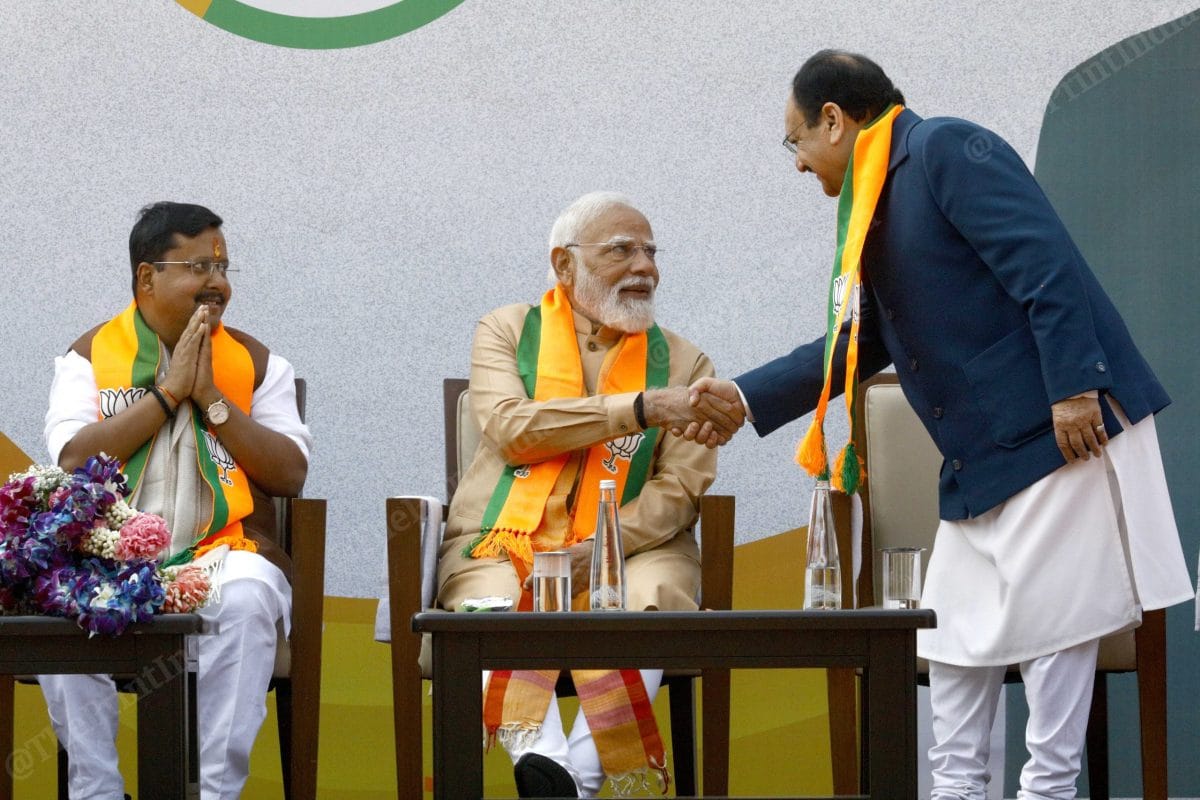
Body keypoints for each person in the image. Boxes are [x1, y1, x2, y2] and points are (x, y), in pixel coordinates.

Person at [688, 51, 1192, 799]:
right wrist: (744, 395)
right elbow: (859, 341)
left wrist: (1075, 390)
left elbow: (1046, 266)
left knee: (1057, 634)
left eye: (794, 140)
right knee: (950, 642)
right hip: (979, 466)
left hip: (1058, 442)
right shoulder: (873, 201)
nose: (796, 164)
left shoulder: (946, 149)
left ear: (835, 119)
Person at [436, 191, 732, 798]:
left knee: (651, 598)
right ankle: (553, 763)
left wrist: (600, 548)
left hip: (637, 545)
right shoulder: (506, 330)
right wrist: (640, 408)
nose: (645, 266)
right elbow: (514, 430)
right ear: (564, 264)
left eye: (651, 251)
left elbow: (679, 489)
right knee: (491, 603)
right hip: (504, 538)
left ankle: (562, 779)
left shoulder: (684, 360)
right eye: (622, 250)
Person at [39, 202, 312, 800]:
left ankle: (212, 792)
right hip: (107, 552)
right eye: (198, 267)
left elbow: (289, 473)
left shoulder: (258, 364)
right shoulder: (87, 359)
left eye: (223, 267)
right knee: (59, 594)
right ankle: (98, 790)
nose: (217, 283)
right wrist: (166, 395)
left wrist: (210, 395)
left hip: (221, 550)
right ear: (147, 277)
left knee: (248, 595)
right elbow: (72, 460)